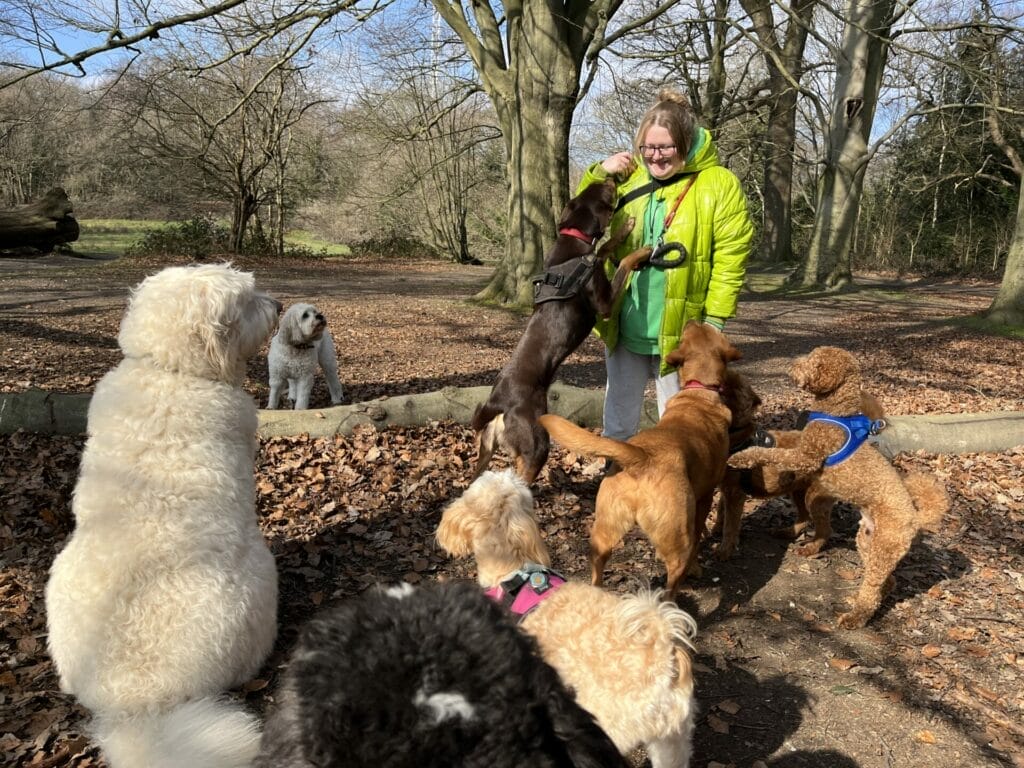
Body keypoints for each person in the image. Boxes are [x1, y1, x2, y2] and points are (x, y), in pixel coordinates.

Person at [577, 88, 753, 440]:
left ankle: (679, 474)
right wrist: (599, 173)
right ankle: (616, 472)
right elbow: (582, 211)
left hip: (682, 332)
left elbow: (731, 258)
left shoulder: (719, 184)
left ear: (685, 142)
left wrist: (714, 322)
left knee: (679, 426)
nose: (655, 157)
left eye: (665, 147)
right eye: (648, 148)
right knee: (618, 422)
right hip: (626, 323)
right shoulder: (632, 177)